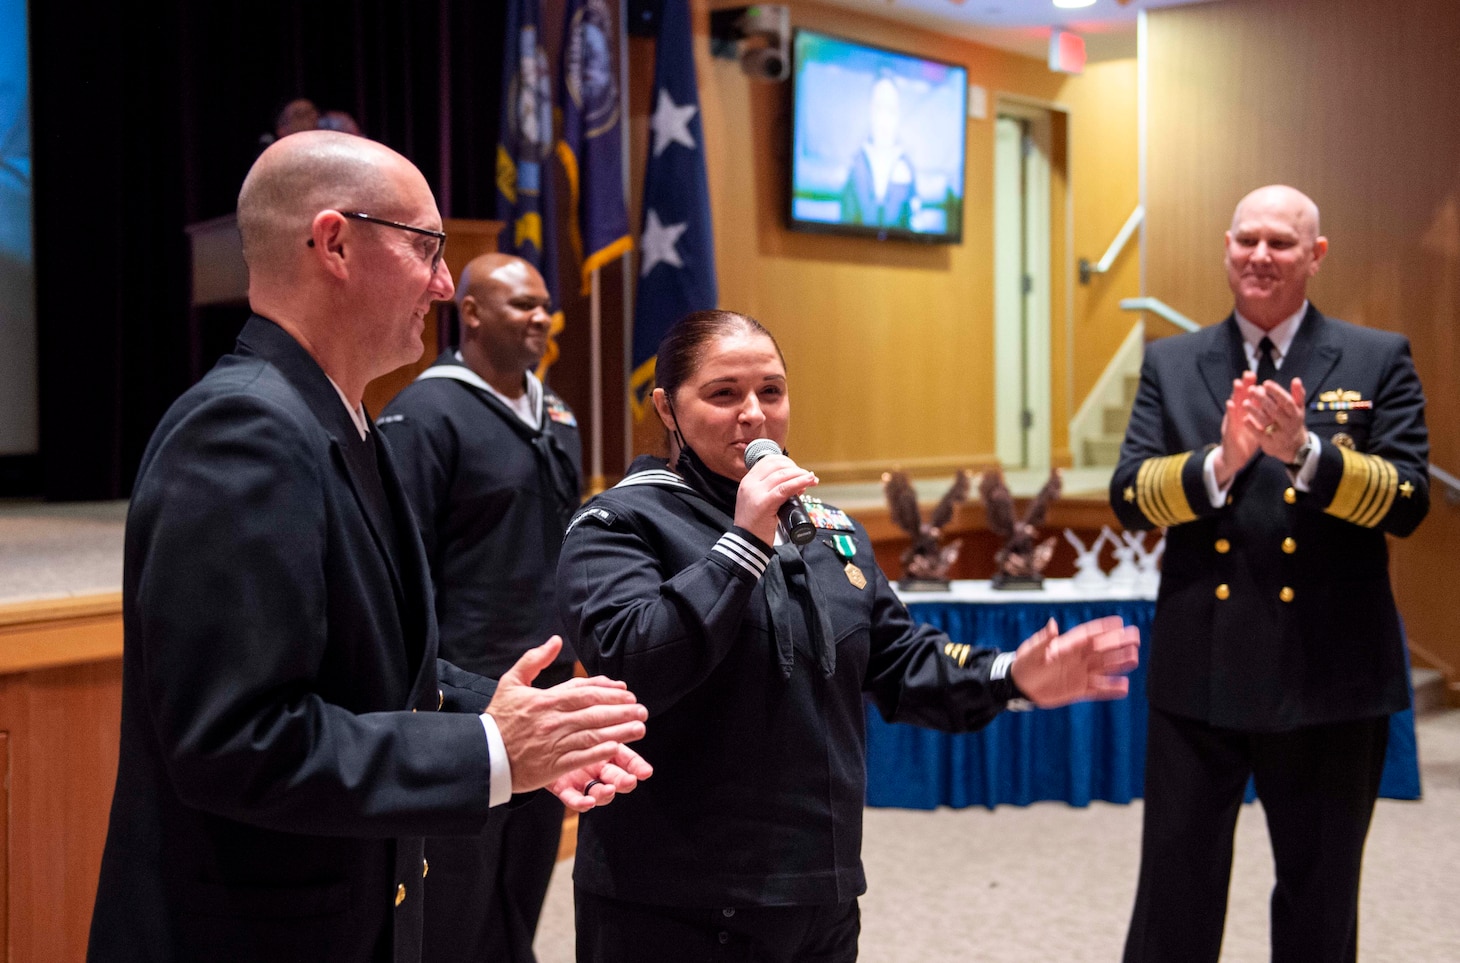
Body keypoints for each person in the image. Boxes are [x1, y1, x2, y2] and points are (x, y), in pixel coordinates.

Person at [87, 130, 651, 963]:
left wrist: (513, 717)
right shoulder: (242, 430)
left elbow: (370, 669)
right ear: (334, 242)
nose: (445, 282)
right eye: (427, 247)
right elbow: (237, 739)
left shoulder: (340, 419)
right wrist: (490, 750)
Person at [556, 309, 1141, 962]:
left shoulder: (826, 528)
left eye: (771, 391)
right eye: (724, 393)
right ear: (667, 408)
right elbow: (633, 660)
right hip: (673, 897)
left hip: (819, 889)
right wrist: (745, 542)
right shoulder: (618, 522)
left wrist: (1009, 675)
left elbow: (897, 658)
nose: (754, 414)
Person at [1112, 185, 1430, 963]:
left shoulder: (1373, 356)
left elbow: (1410, 499)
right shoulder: (1173, 361)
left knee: (1320, 900)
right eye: (1246, 239)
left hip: (1330, 675)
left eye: (1281, 243)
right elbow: (1128, 495)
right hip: (1201, 671)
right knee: (1175, 899)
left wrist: (1308, 456)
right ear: (1226, 247)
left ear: (1315, 256)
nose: (1260, 255)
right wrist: (1221, 463)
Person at [378, 252, 581, 963]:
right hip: (465, 700)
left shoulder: (557, 414)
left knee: (524, 885)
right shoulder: (424, 415)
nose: (540, 316)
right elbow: (401, 574)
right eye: (521, 303)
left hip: (547, 689)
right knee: (455, 901)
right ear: (468, 312)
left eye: (545, 303)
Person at [840, 76, 917, 230]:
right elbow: (845, 218)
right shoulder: (854, 163)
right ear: (870, 111)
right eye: (879, 108)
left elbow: (913, 222)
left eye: (890, 109)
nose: (884, 118)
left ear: (898, 114)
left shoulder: (907, 167)